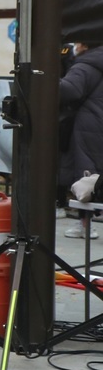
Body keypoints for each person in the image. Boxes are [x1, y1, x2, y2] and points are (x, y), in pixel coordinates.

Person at [60, 41, 103, 238]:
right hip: (97, 123)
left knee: (86, 176)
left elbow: (70, 90)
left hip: (89, 126)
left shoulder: (86, 64)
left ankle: (85, 225)